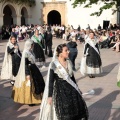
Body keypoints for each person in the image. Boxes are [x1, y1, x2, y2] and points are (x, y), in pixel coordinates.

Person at [39, 44, 88, 120]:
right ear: (60, 53)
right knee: (65, 110)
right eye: (66, 50)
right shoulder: (54, 65)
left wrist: (77, 88)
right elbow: (50, 82)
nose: (68, 52)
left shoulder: (69, 62)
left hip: (71, 90)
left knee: (75, 108)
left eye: (68, 50)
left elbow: (72, 78)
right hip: (60, 91)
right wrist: (50, 96)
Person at [12, 39, 45, 105]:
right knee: (29, 85)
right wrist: (27, 74)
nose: (33, 46)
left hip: (33, 69)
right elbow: (25, 64)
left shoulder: (30, 51)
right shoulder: (25, 53)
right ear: (29, 45)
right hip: (29, 71)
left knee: (35, 84)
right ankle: (30, 100)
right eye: (32, 45)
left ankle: (35, 99)